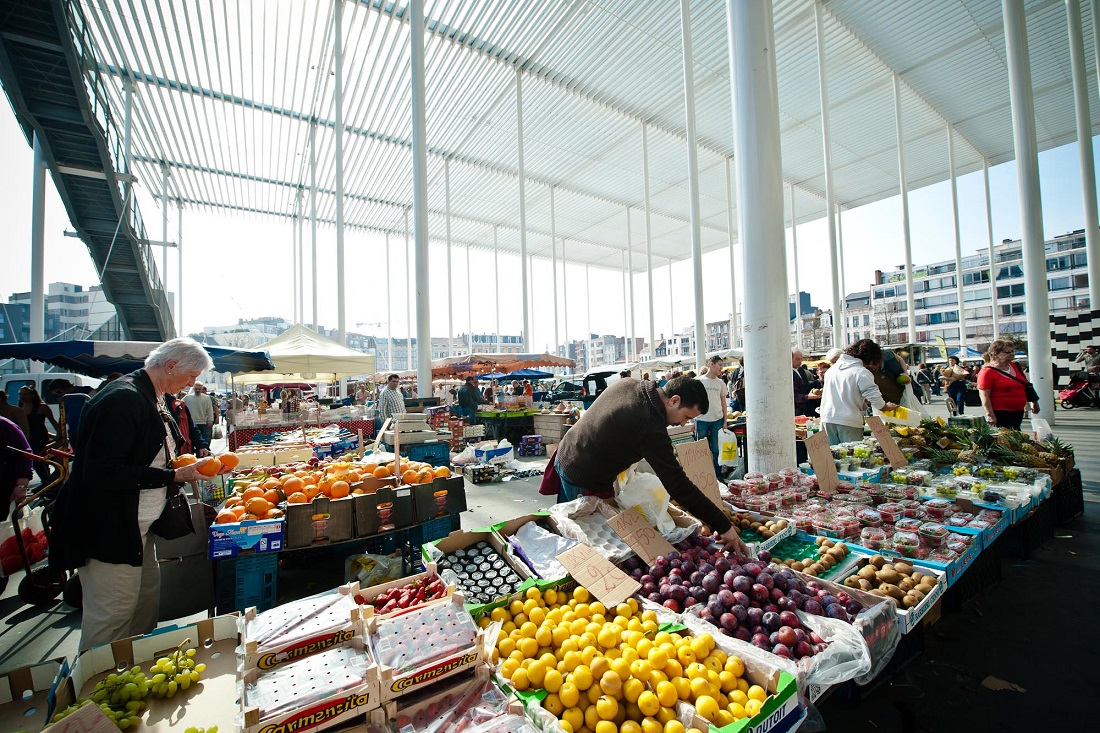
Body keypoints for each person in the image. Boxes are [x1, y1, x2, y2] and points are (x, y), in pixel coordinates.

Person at [48, 338, 228, 650]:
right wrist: (174, 475)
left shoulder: (155, 398)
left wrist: (193, 467)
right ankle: (97, 692)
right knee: (111, 622)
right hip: (109, 532)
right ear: (170, 366)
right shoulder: (123, 400)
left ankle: (134, 677)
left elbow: (150, 456)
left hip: (138, 532)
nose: (192, 383)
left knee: (143, 610)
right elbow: (103, 471)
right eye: (192, 375)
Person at [553, 376, 749, 557]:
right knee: (578, 540)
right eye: (686, 417)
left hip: (569, 450)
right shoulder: (649, 423)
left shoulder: (633, 384)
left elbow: (614, 425)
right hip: (581, 471)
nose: (683, 424)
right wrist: (723, 526)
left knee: (567, 525)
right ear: (674, 400)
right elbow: (678, 485)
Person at [818, 340, 898, 446]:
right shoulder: (861, 372)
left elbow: (842, 393)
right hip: (849, 421)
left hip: (827, 419)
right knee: (851, 458)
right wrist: (885, 407)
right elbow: (875, 397)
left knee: (830, 458)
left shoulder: (832, 370)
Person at [978, 338, 1038, 430]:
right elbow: (984, 396)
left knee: (1016, 434)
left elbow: (1026, 386)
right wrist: (990, 415)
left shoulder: (1016, 366)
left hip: (1018, 410)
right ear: (995, 354)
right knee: (1008, 437)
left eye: (1012, 351)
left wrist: (1035, 402)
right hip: (1001, 412)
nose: (1012, 354)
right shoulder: (987, 372)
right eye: (1007, 352)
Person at [694, 356, 729, 478]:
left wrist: (725, 421)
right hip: (702, 419)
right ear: (711, 364)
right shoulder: (699, 381)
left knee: (716, 449)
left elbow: (723, 403)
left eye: (721, 365)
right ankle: (702, 475)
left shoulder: (721, 383)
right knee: (701, 450)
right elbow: (694, 402)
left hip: (717, 420)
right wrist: (693, 421)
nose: (721, 368)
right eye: (719, 365)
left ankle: (717, 475)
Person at [19, 386, 60, 486]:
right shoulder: (20, 408)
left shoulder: (42, 407)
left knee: (37, 460)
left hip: (40, 438)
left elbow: (53, 422)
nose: (22, 396)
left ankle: (47, 483)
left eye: (25, 394)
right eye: (20, 394)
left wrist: (59, 435)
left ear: (32, 395)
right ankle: (47, 483)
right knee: (38, 461)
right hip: (27, 437)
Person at [791, 350, 816, 417]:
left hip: (802, 407)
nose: (800, 361)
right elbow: (792, 394)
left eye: (801, 359)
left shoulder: (799, 370)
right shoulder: (789, 373)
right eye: (797, 359)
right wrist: (807, 397)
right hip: (795, 408)